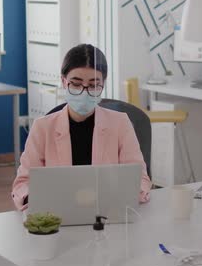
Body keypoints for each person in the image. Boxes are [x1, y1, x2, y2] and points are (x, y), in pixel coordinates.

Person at [11, 44, 152, 211]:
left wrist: (127, 194)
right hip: (58, 218)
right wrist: (36, 199)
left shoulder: (120, 123)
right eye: (76, 84)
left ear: (103, 84)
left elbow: (140, 178)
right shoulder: (43, 127)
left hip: (109, 216)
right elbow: (22, 183)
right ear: (64, 81)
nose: (84, 92)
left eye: (93, 85)